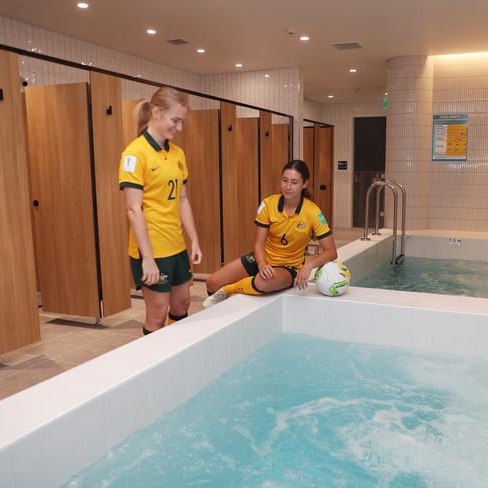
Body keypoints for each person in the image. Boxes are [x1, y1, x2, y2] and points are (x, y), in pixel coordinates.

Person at [118, 86, 202, 335]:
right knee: (157, 312)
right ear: (156, 112)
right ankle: (155, 366)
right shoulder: (134, 154)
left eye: (182, 121)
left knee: (182, 302)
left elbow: (182, 200)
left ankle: (176, 352)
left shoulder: (177, 153)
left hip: (176, 245)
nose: (179, 127)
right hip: (152, 248)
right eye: (175, 120)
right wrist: (147, 258)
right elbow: (133, 209)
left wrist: (194, 240)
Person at [203, 159, 336, 308]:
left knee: (263, 282)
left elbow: (331, 251)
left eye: (294, 182)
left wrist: (309, 265)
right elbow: (259, 243)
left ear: (304, 184)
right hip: (262, 259)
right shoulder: (268, 204)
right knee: (212, 283)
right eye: (284, 180)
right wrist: (262, 264)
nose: (287, 187)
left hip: (287, 268)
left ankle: (230, 289)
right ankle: (228, 310)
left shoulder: (313, 211)